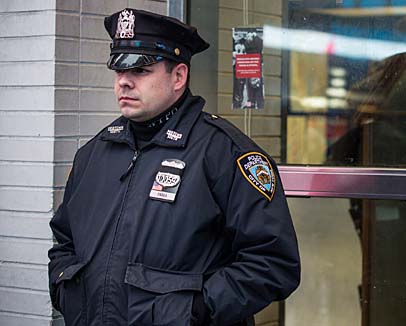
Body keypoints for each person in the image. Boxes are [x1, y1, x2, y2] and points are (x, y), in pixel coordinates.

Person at [47, 8, 300, 326]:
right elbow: (65, 240)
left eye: (139, 70)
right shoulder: (94, 154)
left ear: (178, 76)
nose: (124, 82)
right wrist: (65, 289)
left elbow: (273, 262)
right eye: (119, 71)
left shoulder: (224, 153)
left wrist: (196, 311)